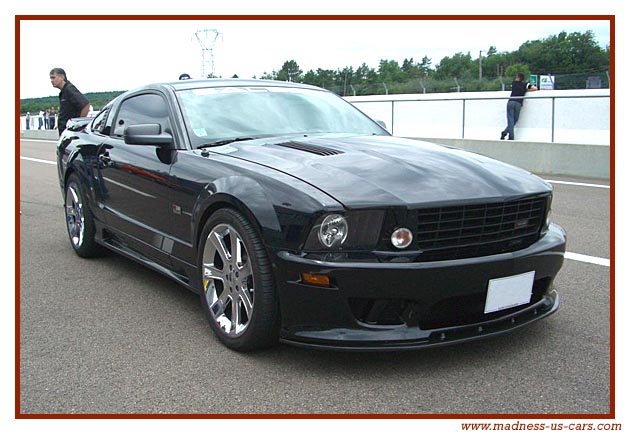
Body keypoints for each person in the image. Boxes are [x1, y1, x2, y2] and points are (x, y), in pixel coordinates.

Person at [49, 68, 90, 134]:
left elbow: (85, 105)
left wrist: (79, 124)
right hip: (65, 131)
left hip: (71, 132)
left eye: (53, 78)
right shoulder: (63, 92)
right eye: (50, 78)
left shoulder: (69, 89)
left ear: (62, 77)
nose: (51, 80)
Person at [500, 73, 537, 141]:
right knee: (515, 119)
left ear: (518, 77)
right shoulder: (525, 85)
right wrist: (526, 90)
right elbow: (535, 88)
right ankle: (505, 133)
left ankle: (509, 135)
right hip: (518, 103)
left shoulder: (514, 83)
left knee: (510, 119)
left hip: (511, 102)